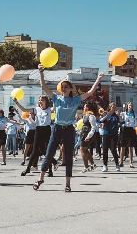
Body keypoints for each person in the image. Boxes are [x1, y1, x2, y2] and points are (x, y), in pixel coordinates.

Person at [32, 64, 103, 192]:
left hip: (69, 130)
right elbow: (44, 86)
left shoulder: (76, 100)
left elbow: (90, 92)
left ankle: (67, 183)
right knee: (49, 154)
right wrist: (41, 72)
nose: (64, 88)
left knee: (69, 157)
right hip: (57, 128)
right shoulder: (56, 98)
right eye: (62, 87)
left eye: (66, 87)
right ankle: (40, 178)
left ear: (71, 89)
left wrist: (98, 79)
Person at [14, 96, 54, 176]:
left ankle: (50, 170)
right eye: (39, 100)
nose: (40, 101)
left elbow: (57, 106)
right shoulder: (36, 109)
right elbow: (24, 110)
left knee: (47, 150)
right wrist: (17, 102)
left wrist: (56, 98)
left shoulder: (49, 109)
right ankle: (28, 169)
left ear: (46, 101)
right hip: (38, 130)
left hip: (46, 130)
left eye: (42, 100)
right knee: (34, 151)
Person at [99, 103, 121, 172]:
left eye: (115, 107)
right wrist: (107, 115)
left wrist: (119, 116)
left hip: (114, 134)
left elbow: (120, 122)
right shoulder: (106, 114)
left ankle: (117, 165)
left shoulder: (116, 116)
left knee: (113, 150)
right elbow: (100, 121)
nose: (114, 108)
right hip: (106, 133)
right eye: (112, 107)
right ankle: (105, 165)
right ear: (110, 107)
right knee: (105, 150)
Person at [80, 101, 99, 173]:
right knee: (84, 150)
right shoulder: (86, 115)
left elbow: (93, 127)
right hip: (84, 133)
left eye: (85, 106)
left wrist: (89, 136)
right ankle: (92, 164)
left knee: (82, 150)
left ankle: (86, 166)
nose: (83, 107)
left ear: (88, 108)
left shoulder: (91, 116)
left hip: (87, 134)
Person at [119, 102, 137, 168]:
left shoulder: (134, 114)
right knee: (123, 146)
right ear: (127, 106)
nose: (131, 106)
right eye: (129, 105)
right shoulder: (124, 113)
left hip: (131, 130)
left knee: (130, 147)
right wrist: (121, 118)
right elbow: (120, 120)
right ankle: (121, 162)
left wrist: (136, 125)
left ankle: (131, 162)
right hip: (125, 130)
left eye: (132, 106)